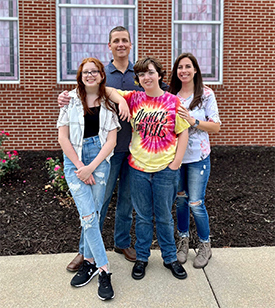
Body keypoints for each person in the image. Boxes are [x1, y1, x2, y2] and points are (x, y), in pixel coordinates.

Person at [58, 26, 168, 271]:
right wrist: (63, 97)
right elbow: (83, 92)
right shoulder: (101, 72)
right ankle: (85, 251)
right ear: (109, 46)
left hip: (136, 149)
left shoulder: (138, 73)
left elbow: (159, 94)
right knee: (98, 203)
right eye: (116, 41)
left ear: (131, 44)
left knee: (126, 202)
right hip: (105, 152)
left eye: (125, 40)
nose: (121, 44)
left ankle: (121, 242)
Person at [57, 57, 129, 300]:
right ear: (80, 75)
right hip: (74, 161)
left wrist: (92, 167)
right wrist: (80, 166)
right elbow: (63, 138)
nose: (90, 75)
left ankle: (88, 262)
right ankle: (104, 270)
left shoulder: (108, 102)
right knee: (88, 216)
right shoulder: (70, 100)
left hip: (99, 159)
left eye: (95, 71)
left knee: (95, 214)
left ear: (101, 75)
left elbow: (111, 141)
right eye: (86, 72)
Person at [118, 57, 190, 280]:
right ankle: (142, 257)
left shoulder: (172, 101)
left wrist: (176, 163)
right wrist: (121, 102)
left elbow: (183, 132)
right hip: (138, 168)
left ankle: (170, 258)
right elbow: (105, 89)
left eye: (150, 72)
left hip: (165, 169)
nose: (146, 77)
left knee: (165, 216)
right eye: (141, 74)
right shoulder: (133, 98)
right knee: (142, 216)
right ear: (137, 79)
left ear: (159, 75)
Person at [169, 52, 221, 269]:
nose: (184, 71)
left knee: (196, 203)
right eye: (180, 67)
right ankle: (183, 240)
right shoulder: (171, 95)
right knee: (181, 201)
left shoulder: (206, 94)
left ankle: (204, 244)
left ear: (195, 70)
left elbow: (216, 126)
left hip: (198, 158)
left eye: (188, 66)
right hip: (177, 158)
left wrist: (193, 121)